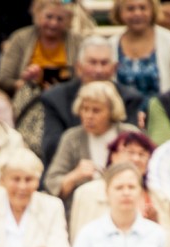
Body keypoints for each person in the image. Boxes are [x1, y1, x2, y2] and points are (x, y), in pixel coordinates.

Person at [39, 36, 144, 164]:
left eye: (104, 63)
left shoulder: (130, 98)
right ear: (78, 67)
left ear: (115, 68)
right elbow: (51, 147)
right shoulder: (55, 98)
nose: (98, 70)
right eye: (92, 63)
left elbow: (132, 145)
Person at [44, 80, 140, 208]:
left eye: (96, 111)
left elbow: (147, 174)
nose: (88, 116)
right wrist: (75, 175)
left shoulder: (129, 134)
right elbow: (51, 183)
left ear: (111, 111)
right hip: (84, 208)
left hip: (126, 204)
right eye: (85, 109)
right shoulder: (71, 138)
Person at [70, 130, 170, 241]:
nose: (136, 159)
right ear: (113, 156)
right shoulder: (88, 193)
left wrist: (155, 223)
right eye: (130, 152)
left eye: (142, 154)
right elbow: (79, 240)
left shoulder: (160, 197)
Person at [0, 0, 78, 98]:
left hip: (67, 98)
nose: (54, 23)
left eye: (60, 19)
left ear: (68, 20)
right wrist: (22, 84)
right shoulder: (20, 38)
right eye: (49, 17)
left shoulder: (78, 42)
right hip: (28, 98)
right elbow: (3, 80)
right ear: (37, 14)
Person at [108, 0, 170, 99]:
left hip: (165, 112)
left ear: (152, 10)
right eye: (130, 9)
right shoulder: (110, 45)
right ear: (120, 12)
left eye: (143, 8)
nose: (137, 13)